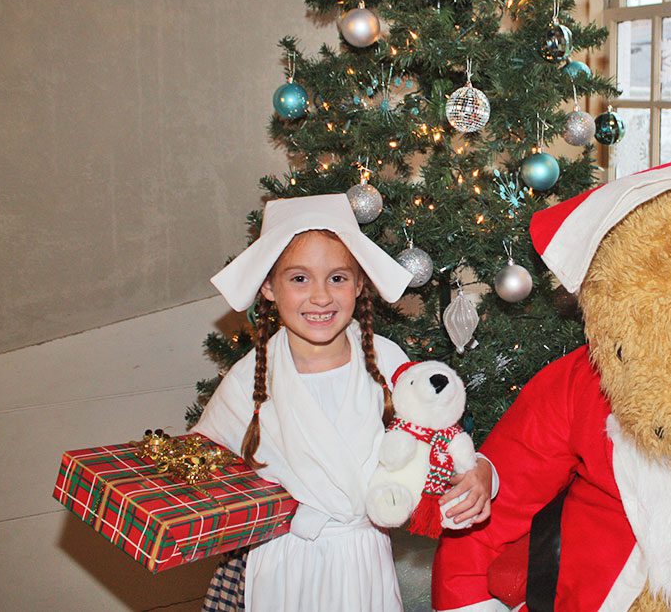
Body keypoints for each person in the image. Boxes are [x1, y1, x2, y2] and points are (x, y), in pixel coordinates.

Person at [193, 194, 495, 612]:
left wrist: (481, 472)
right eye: (299, 279)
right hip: (284, 567)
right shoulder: (250, 377)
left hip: (364, 562)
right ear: (268, 286)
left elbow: (440, 442)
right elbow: (202, 466)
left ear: (359, 283)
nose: (321, 297)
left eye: (337, 278)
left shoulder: (387, 361)